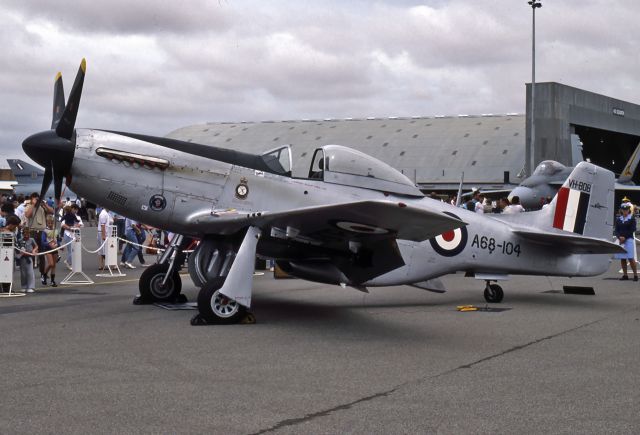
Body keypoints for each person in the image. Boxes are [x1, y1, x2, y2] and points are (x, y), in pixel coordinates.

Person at [24, 192, 54, 282]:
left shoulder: (42, 207)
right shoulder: (29, 206)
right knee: (31, 253)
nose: (37, 200)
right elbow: (27, 215)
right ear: (32, 198)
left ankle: (42, 273)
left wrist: (44, 204)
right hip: (32, 231)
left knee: (42, 253)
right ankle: (30, 273)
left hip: (42, 232)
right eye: (35, 198)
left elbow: (52, 212)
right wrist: (33, 204)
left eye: (38, 198)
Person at [614, 203, 638, 281]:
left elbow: (633, 229)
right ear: (621, 210)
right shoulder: (618, 219)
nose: (625, 211)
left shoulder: (632, 218)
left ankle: (635, 275)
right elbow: (616, 230)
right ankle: (625, 275)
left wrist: (624, 237)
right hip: (621, 240)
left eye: (626, 210)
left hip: (629, 239)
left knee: (631, 257)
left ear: (628, 210)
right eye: (623, 210)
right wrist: (619, 237)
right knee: (622, 258)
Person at [61, 204, 84, 269]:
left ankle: (69, 262)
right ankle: (69, 263)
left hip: (76, 235)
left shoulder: (78, 217)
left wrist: (76, 226)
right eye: (75, 209)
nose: (76, 211)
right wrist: (70, 228)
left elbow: (81, 224)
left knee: (76, 250)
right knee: (70, 250)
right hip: (68, 234)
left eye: (77, 210)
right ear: (72, 209)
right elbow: (62, 225)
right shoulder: (67, 215)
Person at [16, 227, 38, 293]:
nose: (26, 236)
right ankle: (24, 286)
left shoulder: (32, 240)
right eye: (25, 234)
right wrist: (20, 253)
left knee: (30, 272)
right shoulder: (20, 240)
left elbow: (36, 246)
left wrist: (34, 250)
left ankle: (31, 286)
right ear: (22, 234)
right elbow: (17, 249)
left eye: (27, 234)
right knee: (23, 273)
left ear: (29, 234)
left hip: (29, 258)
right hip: (22, 258)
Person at [40, 215, 58, 287]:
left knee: (54, 265)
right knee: (51, 264)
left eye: (52, 223)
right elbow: (43, 241)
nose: (50, 224)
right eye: (49, 223)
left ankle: (52, 281)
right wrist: (49, 244)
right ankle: (44, 274)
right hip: (48, 249)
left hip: (55, 249)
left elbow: (58, 239)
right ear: (47, 223)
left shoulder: (55, 230)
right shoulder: (45, 231)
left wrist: (59, 245)